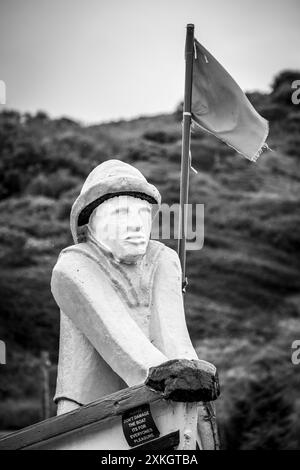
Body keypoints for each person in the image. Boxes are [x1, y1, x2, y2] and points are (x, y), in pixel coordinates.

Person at [51, 159, 218, 416]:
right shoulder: (73, 265)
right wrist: (166, 376)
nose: (137, 224)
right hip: (88, 409)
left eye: (143, 214)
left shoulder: (163, 258)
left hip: (160, 398)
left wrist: (193, 376)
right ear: (90, 223)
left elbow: (173, 335)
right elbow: (115, 331)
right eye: (121, 213)